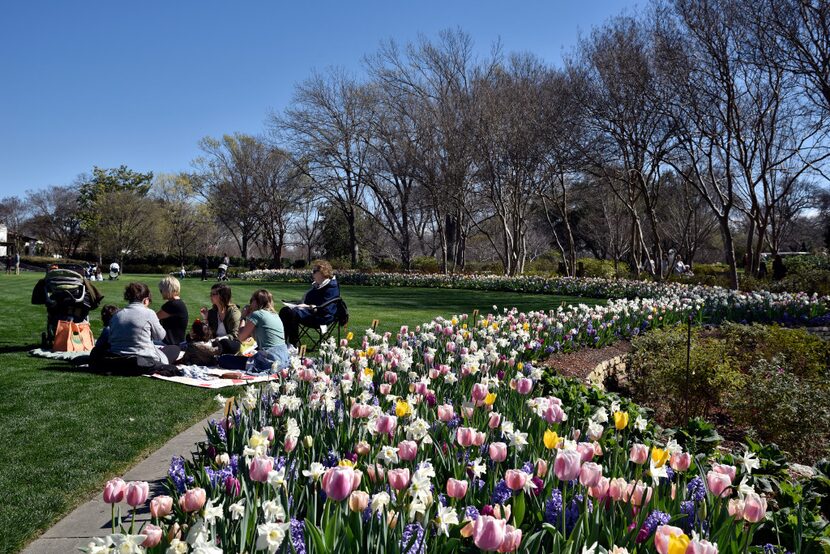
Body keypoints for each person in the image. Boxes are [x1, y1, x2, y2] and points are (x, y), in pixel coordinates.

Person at [108, 283, 180, 365]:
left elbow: (111, 338)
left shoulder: (117, 315)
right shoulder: (149, 313)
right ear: (145, 300)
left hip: (117, 356)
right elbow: (160, 336)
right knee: (175, 348)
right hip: (143, 358)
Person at [279, 259, 340, 347]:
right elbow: (308, 300)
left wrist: (307, 306)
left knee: (291, 313)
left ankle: (292, 344)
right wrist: (298, 304)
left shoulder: (331, 287)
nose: (312, 273)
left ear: (323, 272)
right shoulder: (318, 285)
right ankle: (283, 343)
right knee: (285, 310)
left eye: (315, 271)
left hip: (322, 317)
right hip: (311, 312)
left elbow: (326, 309)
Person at [238, 289, 290, 373]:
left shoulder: (257, 314)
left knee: (225, 360)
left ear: (256, 301)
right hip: (283, 356)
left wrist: (243, 317)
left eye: (251, 300)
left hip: (270, 359)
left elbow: (241, 337)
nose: (250, 303)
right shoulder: (274, 315)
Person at [200, 283, 241, 354]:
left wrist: (220, 339)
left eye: (213, 294)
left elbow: (235, 334)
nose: (210, 296)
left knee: (225, 343)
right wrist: (205, 318)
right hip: (215, 343)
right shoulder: (212, 312)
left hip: (229, 343)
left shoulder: (233, 312)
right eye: (210, 294)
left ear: (222, 296)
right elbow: (206, 333)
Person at [156, 276, 188, 346]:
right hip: (178, 341)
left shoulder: (172, 305)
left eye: (161, 290)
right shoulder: (179, 303)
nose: (161, 292)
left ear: (167, 290)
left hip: (169, 343)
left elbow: (154, 318)